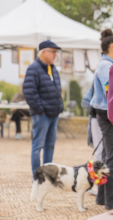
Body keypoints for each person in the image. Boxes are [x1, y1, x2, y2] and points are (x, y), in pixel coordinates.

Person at [90, 29, 113, 210]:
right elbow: (111, 91)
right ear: (112, 46)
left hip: (103, 113)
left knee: (107, 156)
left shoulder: (104, 64)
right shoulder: (106, 66)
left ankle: (103, 198)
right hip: (108, 114)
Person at [23, 40, 64, 178]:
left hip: (54, 113)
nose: (55, 55)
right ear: (43, 52)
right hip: (42, 115)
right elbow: (29, 92)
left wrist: (60, 106)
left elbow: (57, 90)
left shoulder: (52, 69)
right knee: (38, 146)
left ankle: (47, 176)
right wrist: (41, 109)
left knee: (50, 145)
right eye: (53, 52)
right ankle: (37, 177)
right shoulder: (33, 68)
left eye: (56, 52)